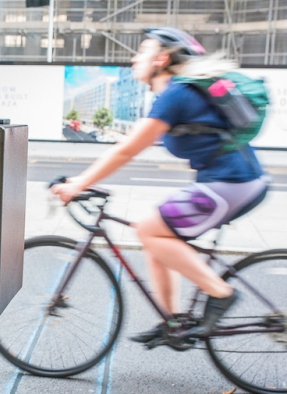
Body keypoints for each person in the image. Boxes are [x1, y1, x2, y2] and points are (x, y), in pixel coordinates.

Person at [51, 27, 270, 345]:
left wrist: (80, 183)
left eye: (142, 50)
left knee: (150, 231)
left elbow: (127, 149)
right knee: (153, 232)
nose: (134, 57)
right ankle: (172, 322)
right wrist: (82, 179)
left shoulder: (177, 94)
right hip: (230, 182)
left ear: (161, 58)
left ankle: (221, 293)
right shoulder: (178, 94)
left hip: (233, 183)